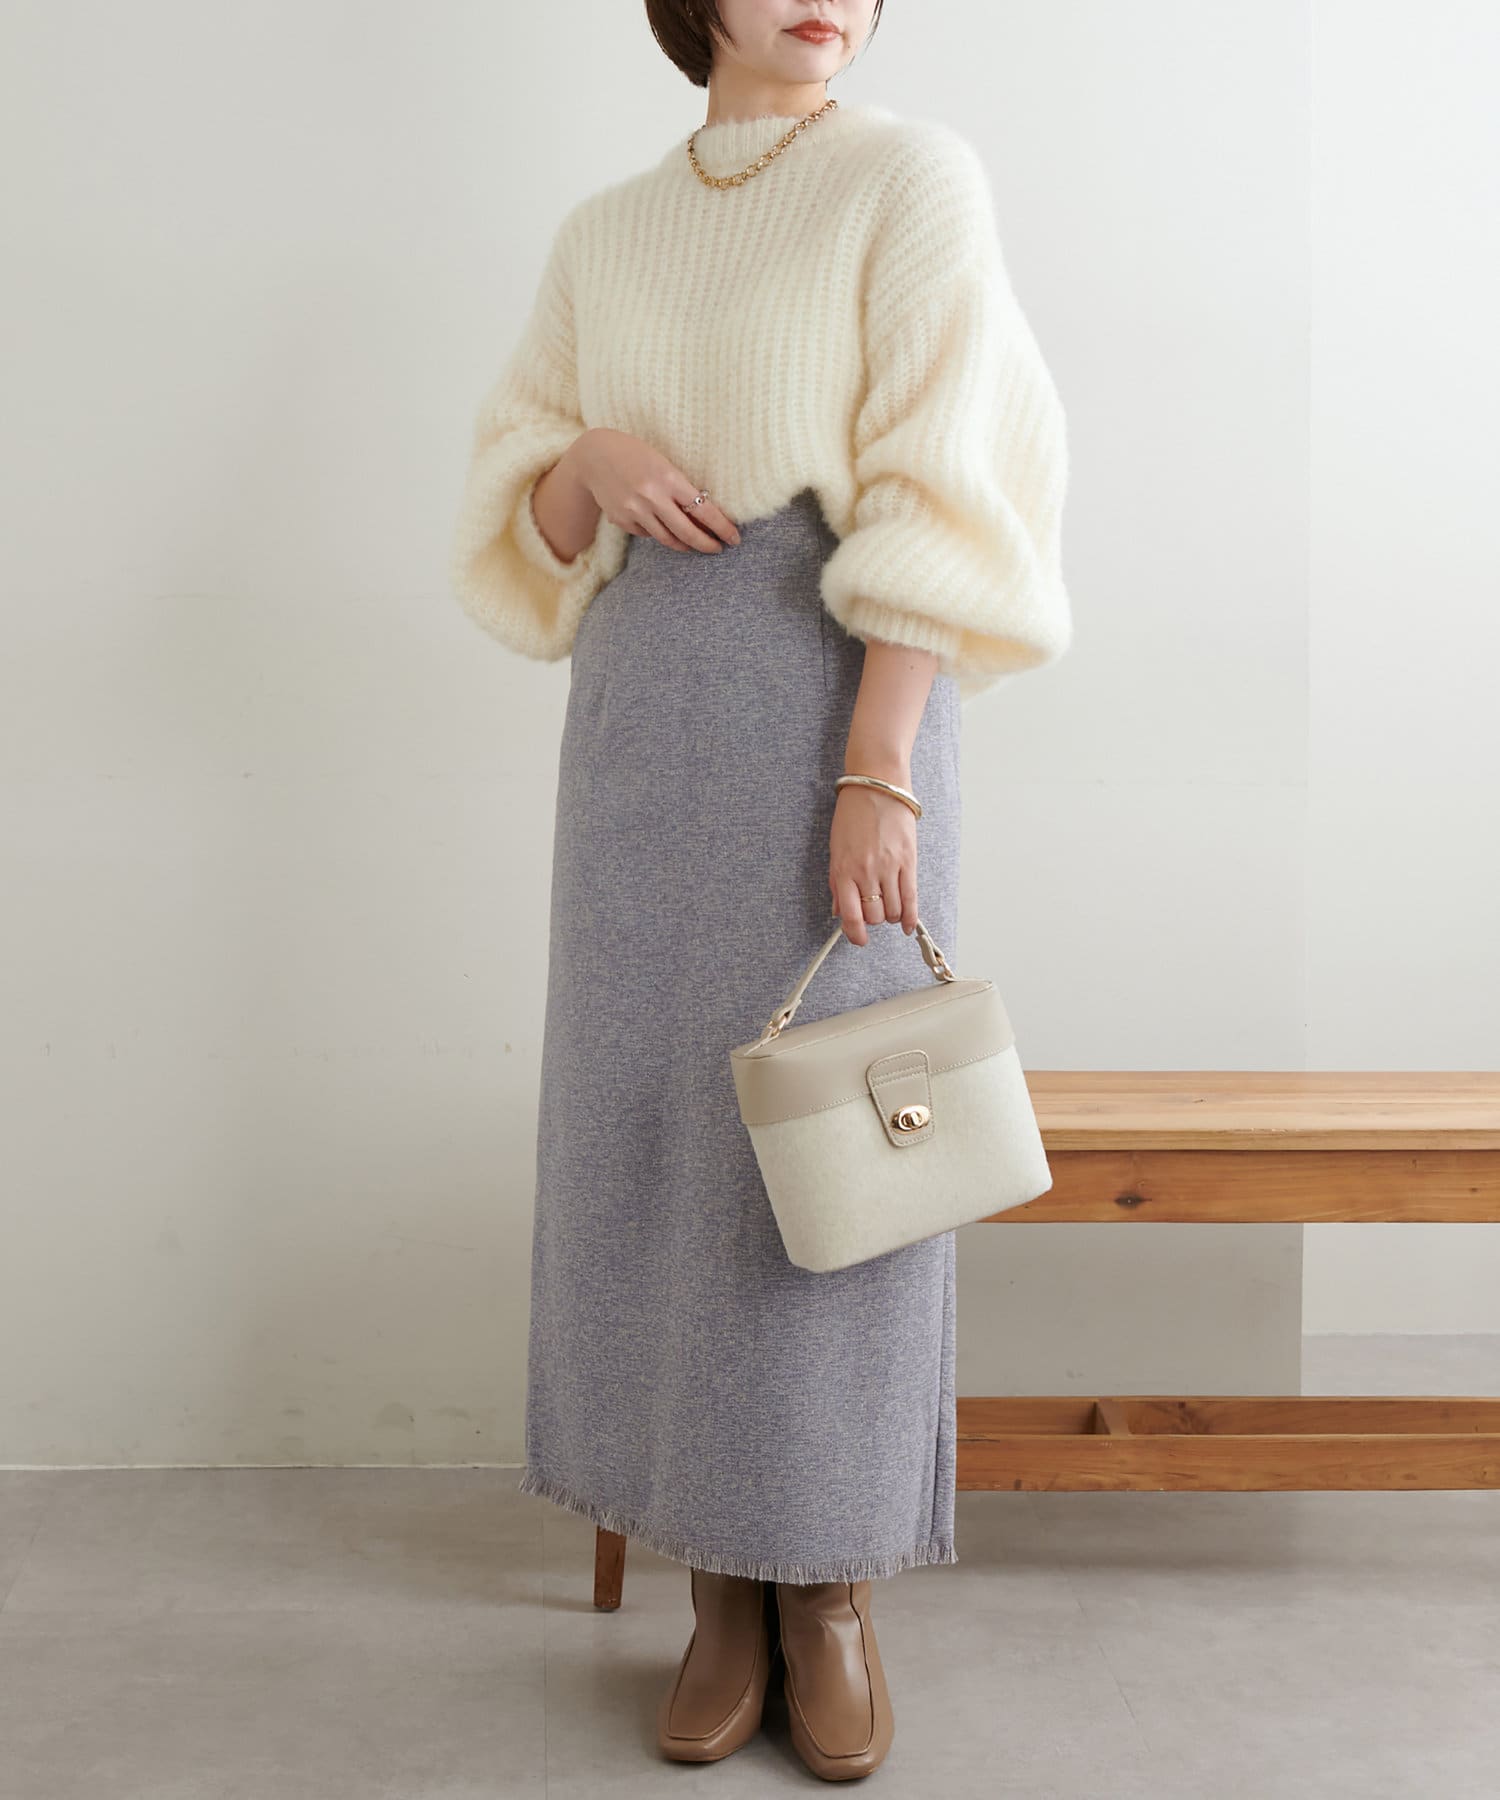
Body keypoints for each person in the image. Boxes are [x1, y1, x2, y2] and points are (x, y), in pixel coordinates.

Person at [449, 0, 1072, 1779]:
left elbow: (947, 479)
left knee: (844, 1141)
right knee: (659, 1135)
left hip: (838, 690)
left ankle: (832, 1589)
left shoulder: (911, 180)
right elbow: (523, 532)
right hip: (646, 717)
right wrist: (583, 464)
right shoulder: (607, 232)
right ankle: (716, 1586)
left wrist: (879, 761)